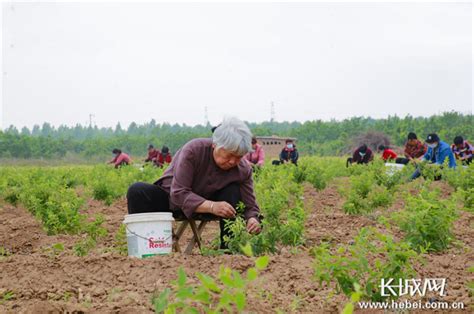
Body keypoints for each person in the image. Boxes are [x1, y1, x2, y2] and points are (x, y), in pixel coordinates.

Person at [127, 117, 261, 249]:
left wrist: (252, 219)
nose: (233, 161)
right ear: (215, 144)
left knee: (232, 191)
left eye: (238, 157)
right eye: (229, 155)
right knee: (137, 191)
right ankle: (145, 248)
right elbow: (178, 193)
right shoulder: (194, 150)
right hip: (171, 202)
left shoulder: (243, 169)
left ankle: (229, 251)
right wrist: (212, 206)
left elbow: (250, 205)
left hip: (211, 205)